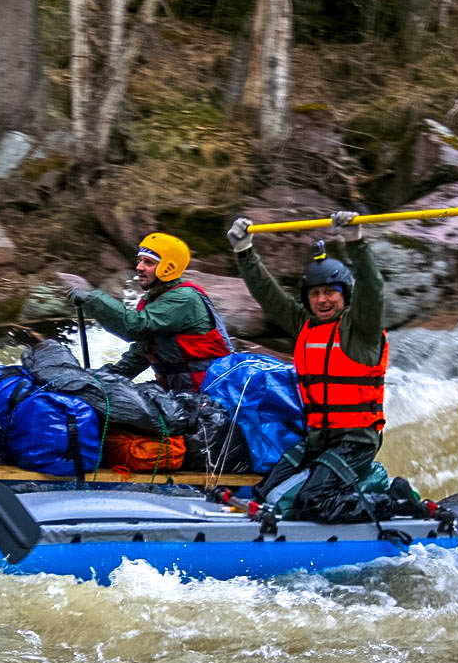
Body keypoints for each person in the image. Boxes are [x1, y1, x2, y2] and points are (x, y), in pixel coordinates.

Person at [226, 212, 420, 523]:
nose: (323, 299)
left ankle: (393, 500)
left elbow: (373, 289)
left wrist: (355, 242)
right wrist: (244, 251)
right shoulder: (304, 324)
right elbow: (270, 296)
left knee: (314, 501)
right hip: (318, 439)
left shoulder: (361, 330)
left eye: (330, 292)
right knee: (266, 493)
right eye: (315, 293)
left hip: (356, 442)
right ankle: (358, 486)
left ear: (345, 295)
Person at [65, 232, 233, 393]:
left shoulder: (184, 299)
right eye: (139, 260)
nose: (139, 267)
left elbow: (134, 326)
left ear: (168, 268)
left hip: (209, 392)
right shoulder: (154, 299)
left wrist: (92, 299)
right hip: (179, 389)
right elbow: (142, 353)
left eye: (148, 262)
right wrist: (105, 378)